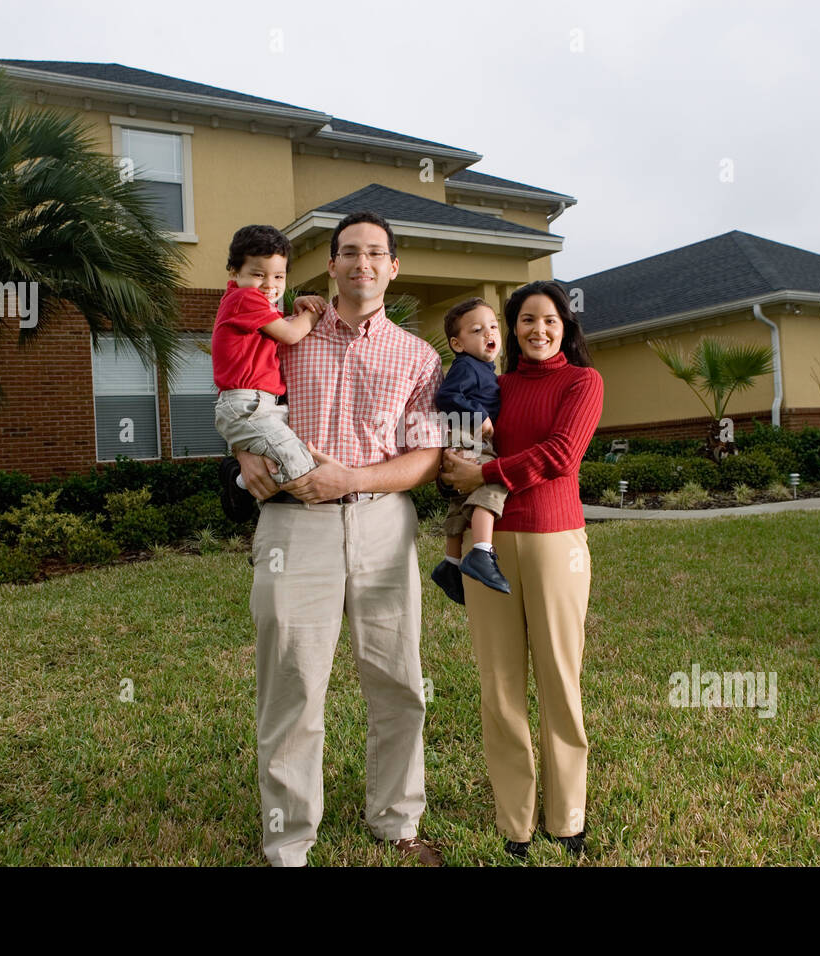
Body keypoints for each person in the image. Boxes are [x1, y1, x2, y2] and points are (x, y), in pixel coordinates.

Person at [235, 211, 448, 867]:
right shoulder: (287, 335)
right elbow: (241, 394)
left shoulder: (418, 356)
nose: (363, 263)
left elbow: (425, 457)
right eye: (349, 252)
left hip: (385, 524)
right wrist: (243, 453)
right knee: (294, 682)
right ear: (330, 266)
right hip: (295, 528)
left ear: (392, 267)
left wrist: (352, 478)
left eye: (376, 253)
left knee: (398, 680)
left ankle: (398, 820)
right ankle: (289, 839)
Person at [440, 280, 604, 860]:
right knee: (500, 687)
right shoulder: (495, 386)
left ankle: (568, 818)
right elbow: (458, 444)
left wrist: (483, 476)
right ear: (512, 328)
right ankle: (516, 824)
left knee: (560, 681)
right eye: (527, 320)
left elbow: (561, 455)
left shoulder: (583, 381)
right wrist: (457, 463)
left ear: (566, 326)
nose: (539, 329)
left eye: (550, 319)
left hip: (556, 542)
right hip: (493, 546)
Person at [211, 224, 329, 523]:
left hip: (259, 406)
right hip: (248, 406)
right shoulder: (242, 299)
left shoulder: (252, 305)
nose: (269, 285)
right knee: (301, 466)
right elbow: (289, 334)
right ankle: (239, 482)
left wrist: (297, 305)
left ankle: (240, 482)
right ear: (234, 272)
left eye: (278, 276)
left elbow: (277, 326)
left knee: (280, 466)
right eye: (258, 274)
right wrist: (313, 313)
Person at [430, 297, 510, 605]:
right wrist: (480, 415)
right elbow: (447, 395)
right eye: (477, 330)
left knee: (461, 500)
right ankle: (481, 552)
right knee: (492, 481)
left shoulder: (484, 368)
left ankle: (450, 563)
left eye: (493, 326)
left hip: (462, 439)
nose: (488, 333)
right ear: (457, 343)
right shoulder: (468, 367)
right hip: (468, 435)